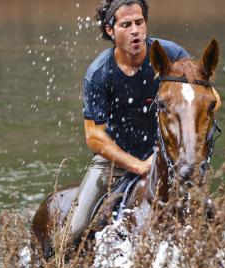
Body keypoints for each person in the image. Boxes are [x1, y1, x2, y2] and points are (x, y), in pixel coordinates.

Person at [68, 0, 190, 240]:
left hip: (164, 156)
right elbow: (94, 137)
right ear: (109, 30)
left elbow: (204, 97)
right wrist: (138, 165)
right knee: (76, 230)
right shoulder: (99, 73)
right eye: (126, 25)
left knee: (205, 218)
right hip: (113, 162)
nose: (135, 30)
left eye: (139, 22)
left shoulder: (171, 55)